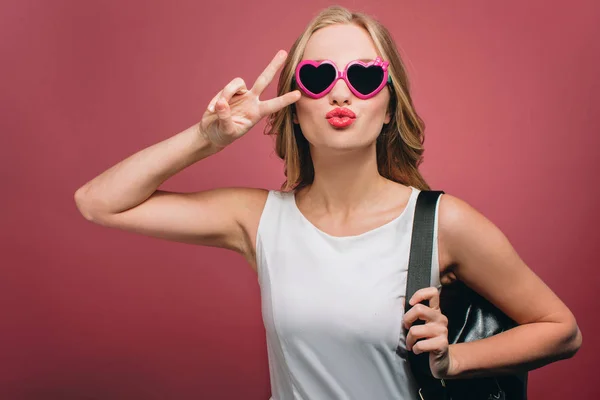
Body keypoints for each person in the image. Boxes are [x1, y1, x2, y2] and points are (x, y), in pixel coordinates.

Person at [74, 5, 582, 400]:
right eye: (318, 78)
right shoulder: (259, 220)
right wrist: (208, 138)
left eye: (363, 78)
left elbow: (561, 330)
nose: (341, 94)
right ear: (294, 109)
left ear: (388, 108)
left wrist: (455, 360)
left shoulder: (439, 222)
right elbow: (100, 203)